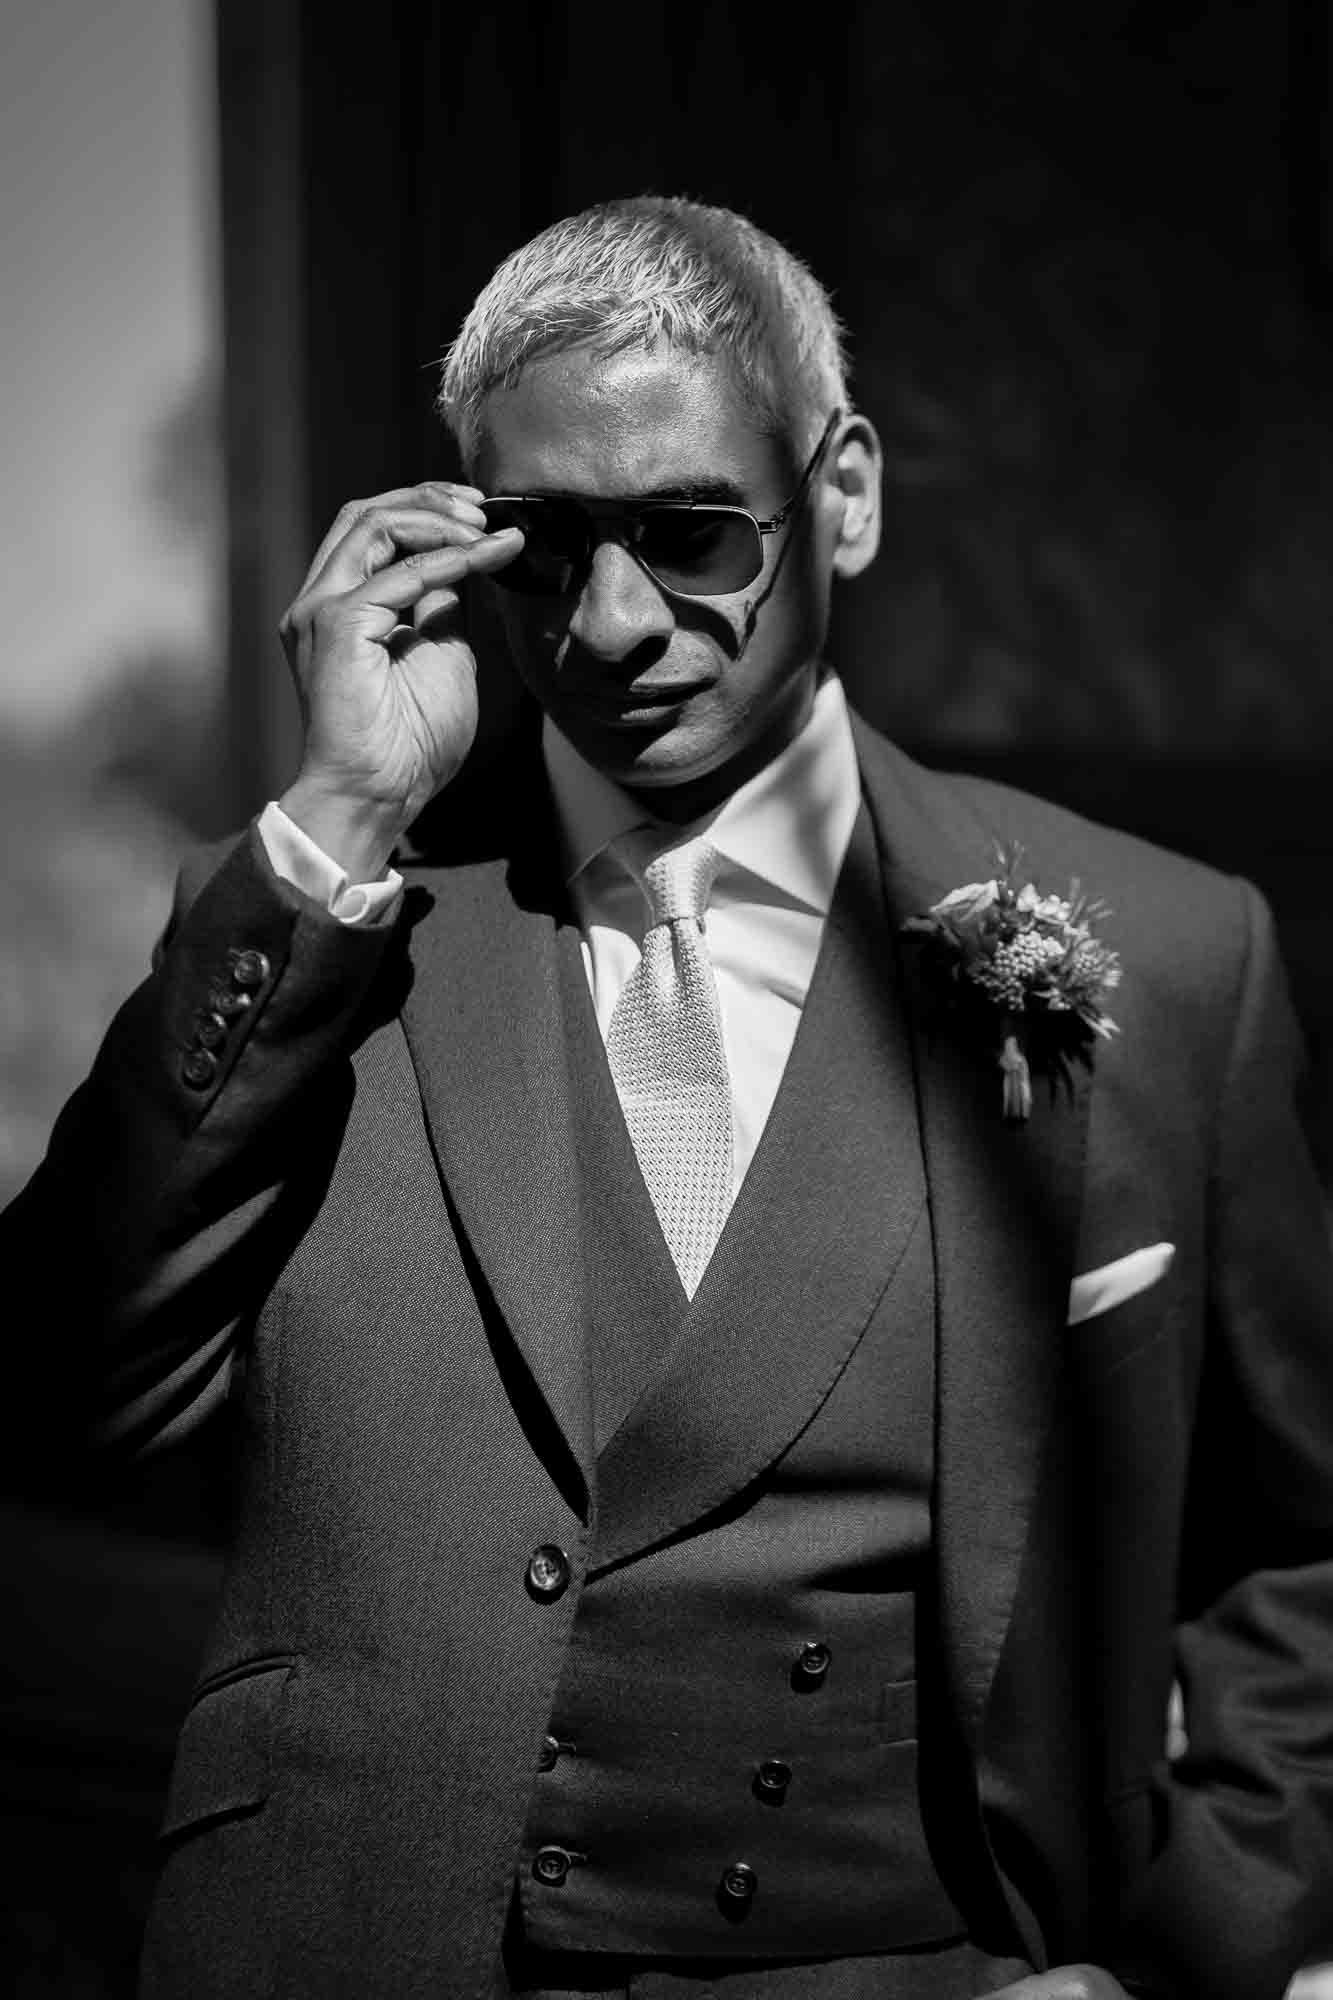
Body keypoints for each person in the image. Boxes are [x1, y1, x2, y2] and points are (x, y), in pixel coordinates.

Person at [6, 195, 1333, 2000]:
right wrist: (336, 827)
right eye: (546, 545)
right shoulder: (332, 925)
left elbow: (1308, 1551)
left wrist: (1189, 1955)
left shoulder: (1175, 958)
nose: (614, 621)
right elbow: (62, 1395)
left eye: (693, 532)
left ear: (842, 493)